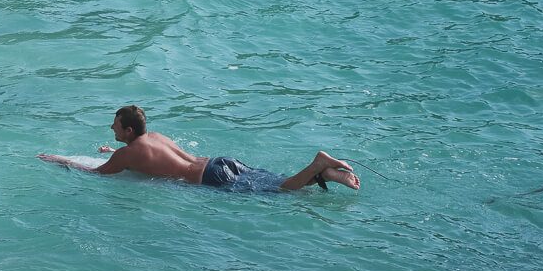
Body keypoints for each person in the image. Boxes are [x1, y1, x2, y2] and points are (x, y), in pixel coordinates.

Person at [39, 105, 359, 192]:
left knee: (282, 193)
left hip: (212, 180)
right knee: (276, 181)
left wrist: (60, 160)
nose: (111, 127)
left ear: (128, 130)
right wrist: (114, 151)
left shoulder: (128, 153)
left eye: (115, 125)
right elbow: (149, 158)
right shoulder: (155, 137)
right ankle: (327, 175)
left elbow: (96, 173)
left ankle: (318, 163)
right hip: (222, 163)